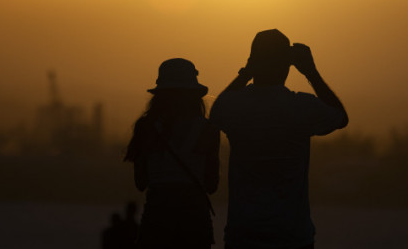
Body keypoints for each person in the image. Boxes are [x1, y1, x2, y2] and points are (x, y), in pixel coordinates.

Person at [210, 29, 349, 249]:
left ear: (254, 61)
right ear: (287, 66)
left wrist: (246, 72)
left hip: (243, 233)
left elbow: (215, 113)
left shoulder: (236, 107)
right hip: (292, 235)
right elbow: (340, 117)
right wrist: (311, 72)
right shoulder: (300, 107)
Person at [124, 58, 220, 249]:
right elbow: (211, 185)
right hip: (195, 221)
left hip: (157, 219)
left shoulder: (146, 127)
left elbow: (140, 182)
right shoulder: (207, 129)